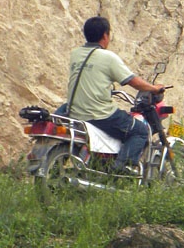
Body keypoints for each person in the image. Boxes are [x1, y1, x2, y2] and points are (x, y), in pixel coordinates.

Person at [57, 16, 164, 175]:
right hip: (98, 114)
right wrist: (154, 88)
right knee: (141, 131)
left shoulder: (76, 54)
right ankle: (121, 170)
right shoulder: (108, 57)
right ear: (105, 36)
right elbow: (133, 81)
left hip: (74, 110)